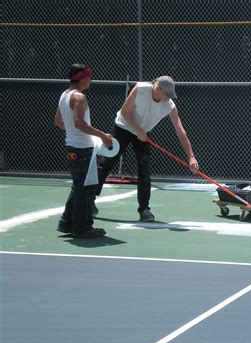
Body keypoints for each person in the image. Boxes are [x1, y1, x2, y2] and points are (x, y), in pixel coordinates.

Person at [96, 76, 199, 222]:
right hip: (123, 128)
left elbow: (180, 131)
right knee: (107, 163)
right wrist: (138, 131)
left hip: (142, 133)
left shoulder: (169, 105)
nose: (168, 98)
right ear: (157, 88)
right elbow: (125, 112)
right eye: (166, 94)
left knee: (144, 170)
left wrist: (191, 156)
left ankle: (144, 209)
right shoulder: (141, 89)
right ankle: (90, 198)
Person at [55, 64, 113, 238]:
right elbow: (80, 123)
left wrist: (73, 132)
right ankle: (83, 227)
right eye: (89, 76)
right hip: (83, 149)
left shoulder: (64, 95)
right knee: (87, 188)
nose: (91, 80)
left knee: (78, 186)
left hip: (72, 147)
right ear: (83, 77)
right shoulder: (79, 97)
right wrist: (103, 136)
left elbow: (58, 121)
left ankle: (66, 223)